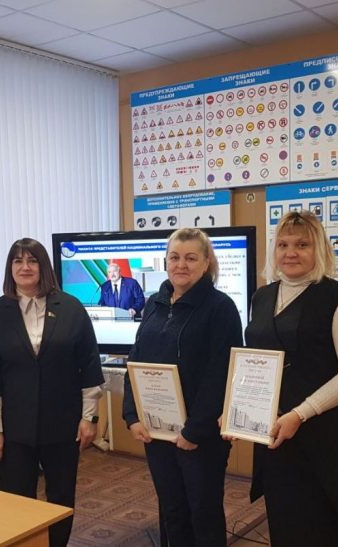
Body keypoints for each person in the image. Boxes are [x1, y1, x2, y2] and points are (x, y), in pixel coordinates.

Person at [243, 210, 338, 546]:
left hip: (324, 435)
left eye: (302, 245)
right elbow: (256, 362)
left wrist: (301, 413)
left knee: (320, 530)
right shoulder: (262, 297)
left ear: (319, 249)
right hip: (277, 434)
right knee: (285, 527)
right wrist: (236, 408)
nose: (290, 252)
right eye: (283, 244)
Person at [0, 238, 104, 547]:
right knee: (16, 498)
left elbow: (89, 366)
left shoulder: (71, 308)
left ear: (43, 266)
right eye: (18, 261)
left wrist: (89, 418)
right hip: (14, 429)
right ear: (10, 268)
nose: (25, 267)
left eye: (32, 260)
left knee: (61, 496)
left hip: (63, 425)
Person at [122, 228, 243, 547]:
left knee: (203, 513)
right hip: (158, 431)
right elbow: (136, 359)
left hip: (200, 437)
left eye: (190, 258)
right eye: (174, 257)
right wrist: (132, 415)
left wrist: (194, 431)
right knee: (171, 510)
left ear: (206, 263)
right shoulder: (154, 303)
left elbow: (221, 374)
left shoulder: (221, 308)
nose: (181, 265)